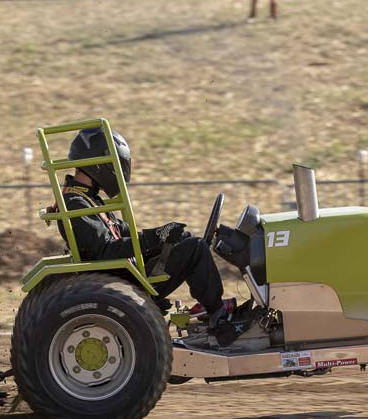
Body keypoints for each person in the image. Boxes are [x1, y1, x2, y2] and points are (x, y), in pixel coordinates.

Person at [53, 127, 242, 346]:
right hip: (122, 280)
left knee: (185, 239)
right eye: (114, 165)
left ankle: (210, 310)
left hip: (124, 270)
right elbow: (106, 250)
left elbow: (125, 234)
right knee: (195, 248)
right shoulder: (75, 203)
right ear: (98, 164)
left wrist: (162, 235)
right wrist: (155, 237)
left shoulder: (89, 200)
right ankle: (219, 318)